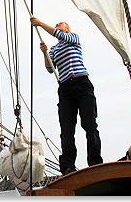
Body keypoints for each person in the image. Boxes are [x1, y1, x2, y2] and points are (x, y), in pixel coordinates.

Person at [30, 16, 103, 175]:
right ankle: (68, 166)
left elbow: (59, 34)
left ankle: (95, 162)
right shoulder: (54, 49)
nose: (57, 24)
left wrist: (41, 23)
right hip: (65, 89)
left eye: (60, 23)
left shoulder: (73, 38)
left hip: (81, 83)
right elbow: (51, 69)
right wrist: (45, 54)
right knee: (67, 129)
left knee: (89, 124)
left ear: (67, 29)